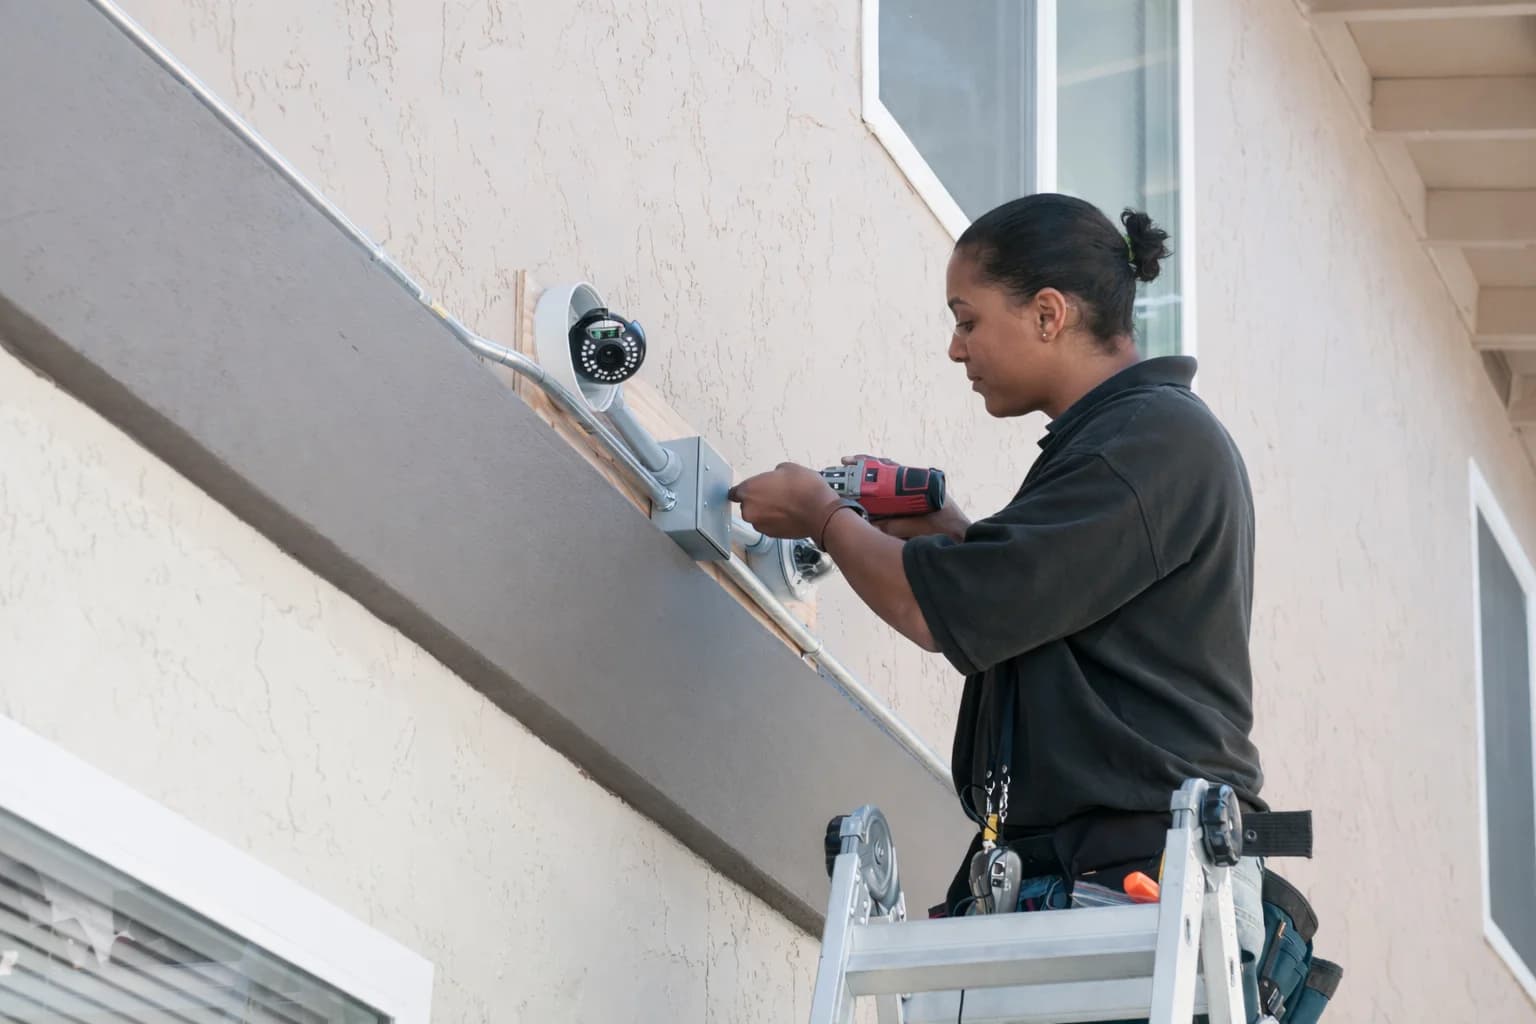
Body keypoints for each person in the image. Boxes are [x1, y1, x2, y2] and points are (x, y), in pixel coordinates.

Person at [727, 193, 1270, 974]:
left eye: (968, 318)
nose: (956, 349)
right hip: (1102, 874)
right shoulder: (1119, 443)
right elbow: (1045, 614)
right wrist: (955, 536)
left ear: (1048, 313)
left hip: (1142, 879)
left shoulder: (1152, 441)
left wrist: (823, 517)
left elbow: (932, 608)